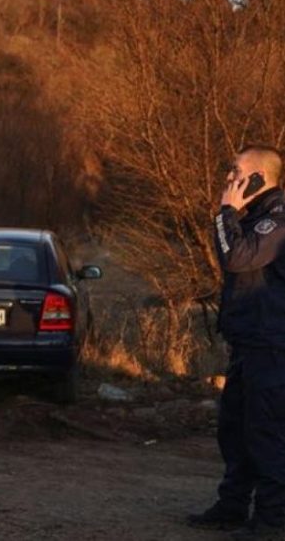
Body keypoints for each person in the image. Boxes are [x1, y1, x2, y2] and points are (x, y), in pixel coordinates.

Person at [188, 145, 285, 539]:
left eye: (237, 173)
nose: (230, 180)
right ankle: (231, 505)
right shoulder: (256, 217)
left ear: (260, 178)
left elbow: (238, 260)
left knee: (265, 433)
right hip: (249, 343)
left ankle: (271, 519)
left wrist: (226, 212)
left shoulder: (276, 220)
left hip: (273, 346)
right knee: (235, 429)